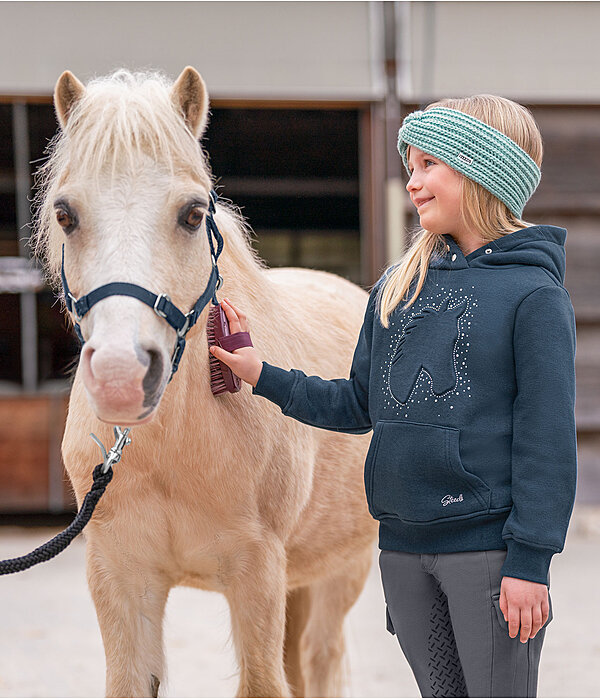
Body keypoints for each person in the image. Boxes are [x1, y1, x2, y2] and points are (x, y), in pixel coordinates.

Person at [209, 94, 577, 698]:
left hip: (486, 556)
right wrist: (261, 374)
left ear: (482, 169)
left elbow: (548, 443)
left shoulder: (533, 296)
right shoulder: (397, 286)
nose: (413, 182)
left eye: (429, 164)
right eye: (410, 167)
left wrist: (529, 564)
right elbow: (358, 405)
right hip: (405, 555)